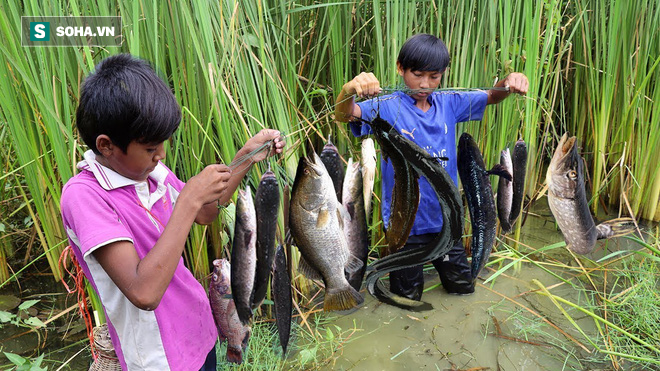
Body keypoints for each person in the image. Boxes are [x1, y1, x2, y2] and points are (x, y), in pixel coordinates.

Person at [60, 54, 285, 370]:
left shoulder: (149, 171)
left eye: (162, 144)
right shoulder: (84, 196)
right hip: (157, 359)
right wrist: (188, 201)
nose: (161, 154)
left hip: (199, 334)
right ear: (106, 145)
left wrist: (247, 156)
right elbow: (144, 291)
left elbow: (204, 213)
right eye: (151, 148)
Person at [335, 33, 528, 300]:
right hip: (405, 228)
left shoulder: (450, 102)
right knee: (406, 299)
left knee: (463, 289)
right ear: (400, 68)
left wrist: (510, 81)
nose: (425, 84)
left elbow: (493, 96)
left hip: (447, 223)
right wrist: (348, 90)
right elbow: (344, 115)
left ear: (443, 74)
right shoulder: (386, 106)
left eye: (434, 76)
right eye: (417, 74)